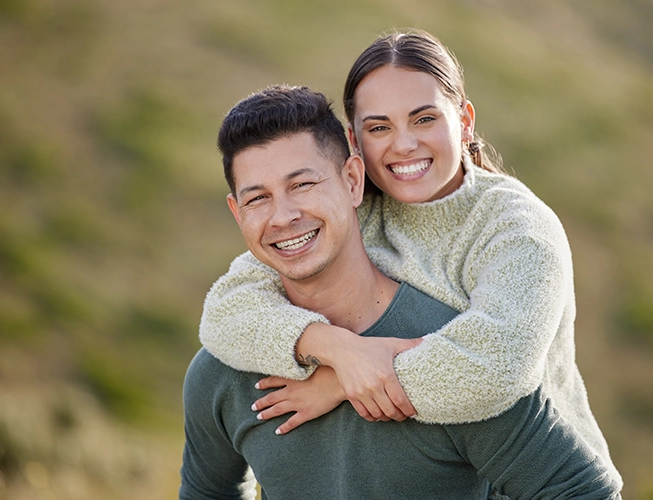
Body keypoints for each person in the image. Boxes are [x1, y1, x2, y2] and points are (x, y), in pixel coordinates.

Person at [198, 29, 622, 486]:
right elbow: (227, 309)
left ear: (464, 121)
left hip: (544, 472)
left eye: (423, 119)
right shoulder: (353, 207)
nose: (403, 145)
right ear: (354, 143)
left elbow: (496, 366)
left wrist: (342, 380)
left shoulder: (517, 229)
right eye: (379, 127)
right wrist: (337, 349)